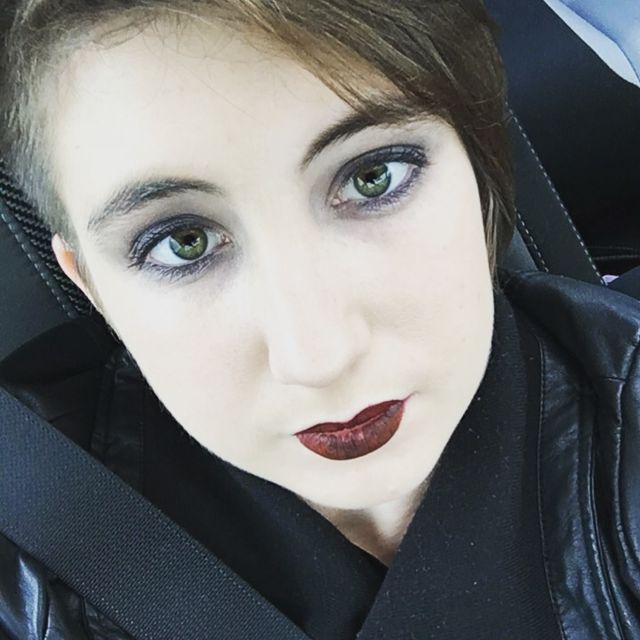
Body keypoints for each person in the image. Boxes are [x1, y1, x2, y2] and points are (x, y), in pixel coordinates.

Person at [0, 1, 639, 639]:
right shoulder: (34, 553)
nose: (319, 356)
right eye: (182, 243)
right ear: (92, 287)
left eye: (372, 178)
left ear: (477, 166)